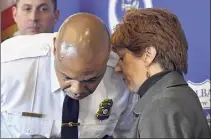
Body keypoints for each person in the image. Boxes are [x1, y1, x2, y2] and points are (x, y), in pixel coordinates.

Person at [1, 13, 137, 138]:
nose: (77, 90)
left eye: (91, 80)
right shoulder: (8, 66)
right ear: (54, 48)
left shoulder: (123, 75)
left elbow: (127, 134)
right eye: (67, 77)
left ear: (108, 56)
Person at [111, 8, 211, 138]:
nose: (117, 69)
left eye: (122, 57)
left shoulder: (160, 107)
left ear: (148, 55)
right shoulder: (177, 96)